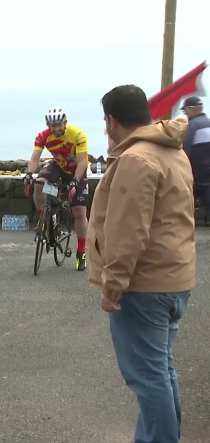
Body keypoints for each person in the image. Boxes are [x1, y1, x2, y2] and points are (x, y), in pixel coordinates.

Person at [89, 84, 195, 443]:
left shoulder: (136, 159)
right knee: (161, 371)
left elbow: (127, 230)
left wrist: (111, 286)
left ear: (111, 120)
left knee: (148, 378)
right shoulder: (172, 152)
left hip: (144, 285)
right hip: (174, 278)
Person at [24, 107, 90, 271]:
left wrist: (75, 181)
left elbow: (82, 161)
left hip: (77, 170)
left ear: (65, 123)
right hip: (58, 165)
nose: (56, 129)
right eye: (53, 126)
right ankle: (43, 222)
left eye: (59, 125)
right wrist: (28, 174)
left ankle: (81, 251)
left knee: (79, 212)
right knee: (39, 183)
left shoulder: (78, 135)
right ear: (48, 125)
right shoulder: (43, 136)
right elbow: (34, 158)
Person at [180, 96, 210, 213]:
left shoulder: (191, 126)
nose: (185, 113)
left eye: (185, 110)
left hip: (199, 170)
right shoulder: (208, 122)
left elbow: (185, 149)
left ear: (191, 109)